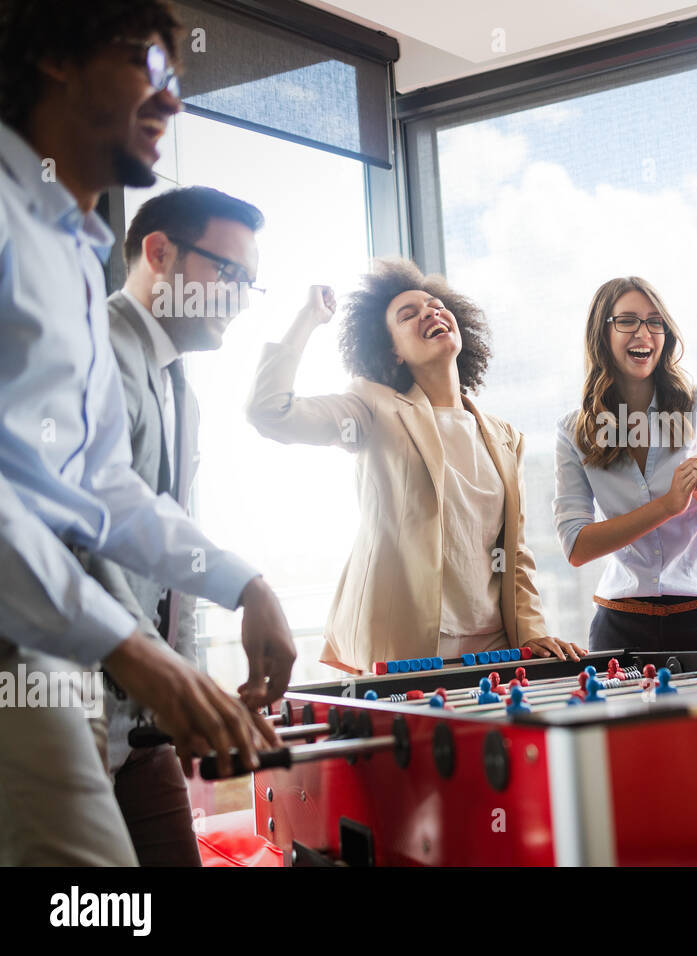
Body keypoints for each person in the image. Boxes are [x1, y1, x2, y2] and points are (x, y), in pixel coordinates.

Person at [0, 0, 293, 866]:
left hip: (56, 663)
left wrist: (244, 583)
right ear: (56, 58)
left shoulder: (74, 258)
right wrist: (138, 653)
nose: (171, 101)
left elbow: (99, 487)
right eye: (149, 69)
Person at [247, 265, 585, 674]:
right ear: (392, 351)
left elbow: (512, 553)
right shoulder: (371, 407)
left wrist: (532, 634)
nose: (430, 313)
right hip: (407, 647)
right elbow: (270, 412)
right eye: (408, 314)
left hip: (495, 649)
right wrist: (308, 320)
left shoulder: (504, 436)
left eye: (437, 306)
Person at [88, 185, 265, 865]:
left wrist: (182, 692)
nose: (241, 297)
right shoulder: (91, 350)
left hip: (143, 729)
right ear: (159, 252)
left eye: (252, 282)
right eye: (230, 273)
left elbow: (170, 565)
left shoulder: (178, 382)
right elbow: (89, 528)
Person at [554, 277, 697, 652]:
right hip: (621, 627)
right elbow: (577, 547)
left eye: (654, 321)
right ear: (603, 332)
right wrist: (666, 506)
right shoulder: (574, 430)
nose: (643, 333)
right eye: (627, 320)